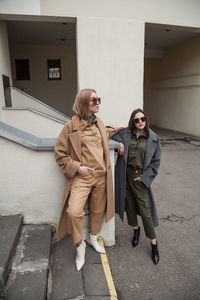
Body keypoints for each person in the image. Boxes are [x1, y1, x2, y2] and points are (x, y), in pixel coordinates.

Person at [54, 88, 120, 271]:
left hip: (101, 176)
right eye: (93, 100)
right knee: (74, 211)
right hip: (82, 178)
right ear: (83, 103)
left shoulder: (98, 123)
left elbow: (106, 133)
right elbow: (60, 154)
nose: (98, 102)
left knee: (98, 210)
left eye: (99, 99)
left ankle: (92, 238)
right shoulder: (70, 127)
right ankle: (79, 246)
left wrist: (120, 130)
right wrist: (77, 167)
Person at [112, 108, 161, 265]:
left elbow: (155, 163)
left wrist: (144, 178)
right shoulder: (126, 134)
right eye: (136, 120)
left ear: (146, 120)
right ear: (132, 122)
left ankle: (154, 244)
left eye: (142, 119)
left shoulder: (153, 138)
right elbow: (112, 134)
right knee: (130, 207)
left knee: (145, 211)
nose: (140, 122)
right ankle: (135, 230)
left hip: (139, 178)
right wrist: (119, 143)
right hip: (125, 176)